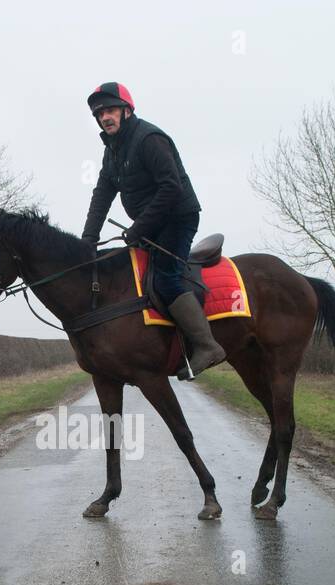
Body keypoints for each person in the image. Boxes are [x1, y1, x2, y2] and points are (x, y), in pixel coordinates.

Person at [80, 82, 225, 378]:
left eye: (110, 110)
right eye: (99, 113)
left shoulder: (149, 139)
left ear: (127, 110)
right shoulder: (112, 152)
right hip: (152, 224)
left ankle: (207, 345)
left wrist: (138, 229)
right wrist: (88, 240)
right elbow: (101, 195)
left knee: (166, 278)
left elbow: (171, 188)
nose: (104, 117)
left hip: (177, 217)